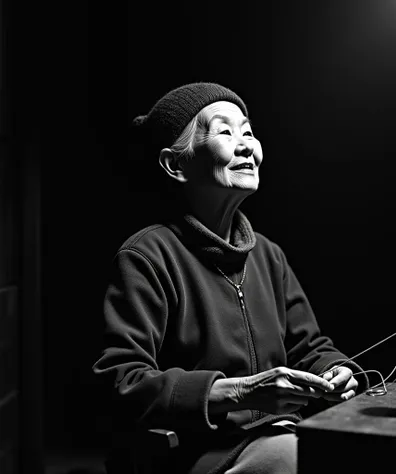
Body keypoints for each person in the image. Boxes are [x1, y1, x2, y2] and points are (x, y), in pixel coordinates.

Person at [92, 82, 368, 474]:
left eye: (249, 132)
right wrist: (241, 392)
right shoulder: (146, 256)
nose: (247, 146)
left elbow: (310, 346)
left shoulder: (268, 255)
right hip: (194, 453)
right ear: (176, 165)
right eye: (225, 131)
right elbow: (121, 381)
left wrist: (334, 370)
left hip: (279, 433)